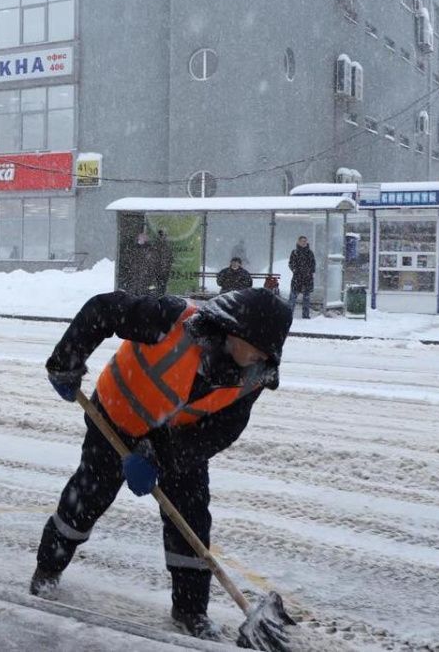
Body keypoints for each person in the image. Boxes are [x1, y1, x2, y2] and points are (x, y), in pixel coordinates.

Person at [32, 288, 292, 641]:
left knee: (190, 517)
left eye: (267, 352)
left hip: (174, 440)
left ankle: (190, 610)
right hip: (116, 414)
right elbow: (103, 310)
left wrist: (162, 455)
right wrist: (66, 360)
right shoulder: (171, 319)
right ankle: (47, 570)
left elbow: (221, 430)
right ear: (235, 330)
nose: (261, 357)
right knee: (87, 497)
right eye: (258, 347)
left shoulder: (253, 375)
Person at [287, 235, 316, 319]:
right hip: (297, 279)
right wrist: (296, 271)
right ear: (298, 242)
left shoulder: (310, 253)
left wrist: (309, 272)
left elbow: (313, 264)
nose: (304, 243)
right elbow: (291, 263)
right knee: (292, 298)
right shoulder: (295, 252)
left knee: (306, 299)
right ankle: (289, 314)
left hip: (307, 279)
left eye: (305, 241)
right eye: (302, 241)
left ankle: (306, 315)